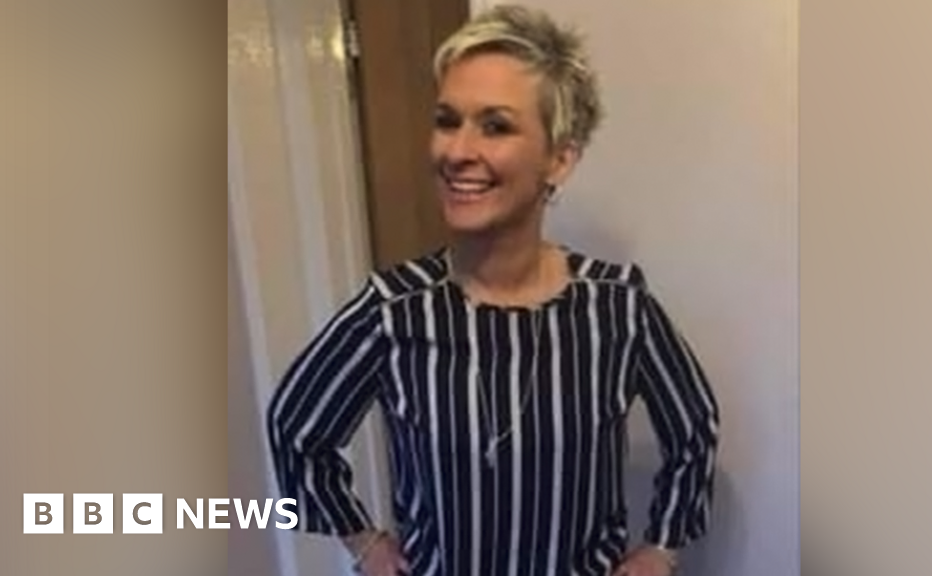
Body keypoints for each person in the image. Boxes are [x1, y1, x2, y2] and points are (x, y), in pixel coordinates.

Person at [266, 5, 719, 576]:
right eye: (447, 120)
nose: (456, 152)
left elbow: (694, 429)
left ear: (559, 159)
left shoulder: (618, 307)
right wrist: (364, 544)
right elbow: (296, 429)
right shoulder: (393, 310)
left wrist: (662, 549)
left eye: (496, 126)